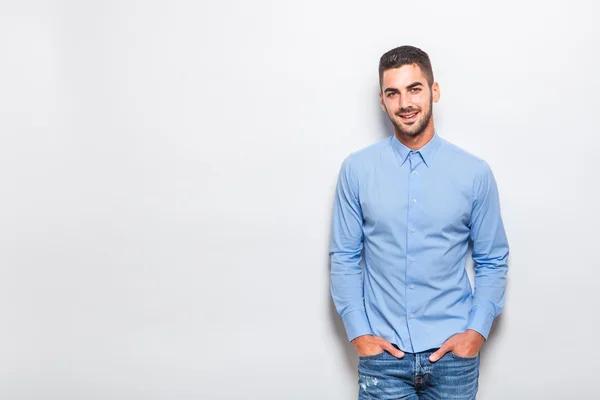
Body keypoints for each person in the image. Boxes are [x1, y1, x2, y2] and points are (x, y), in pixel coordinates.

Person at [329, 45, 509, 399]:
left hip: (453, 358)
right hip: (383, 358)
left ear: (434, 91)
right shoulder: (357, 170)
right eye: (393, 93)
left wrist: (475, 333)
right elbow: (344, 257)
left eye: (414, 89)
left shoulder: (474, 173)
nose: (404, 103)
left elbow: (493, 259)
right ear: (382, 101)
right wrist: (360, 334)